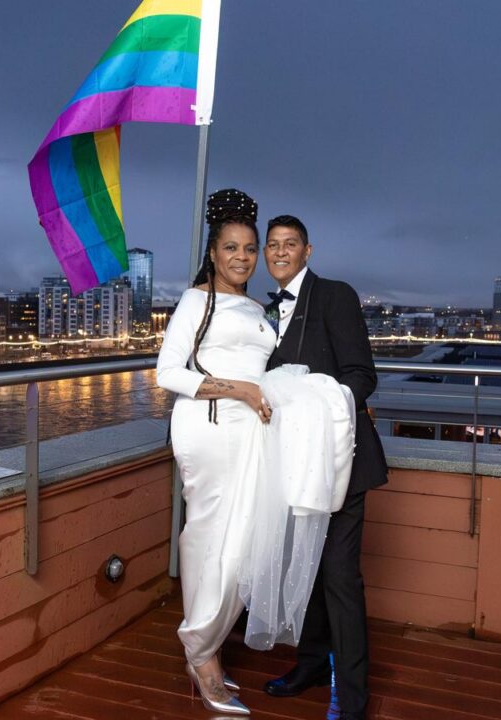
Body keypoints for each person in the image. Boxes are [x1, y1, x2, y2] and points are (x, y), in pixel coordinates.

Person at [260, 214, 389, 720]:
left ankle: (353, 697)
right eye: (272, 245)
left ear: (307, 251)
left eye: (290, 244)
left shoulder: (334, 295)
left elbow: (362, 376)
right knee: (306, 569)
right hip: (292, 465)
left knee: (338, 575)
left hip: (341, 464)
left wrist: (320, 406)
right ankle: (312, 664)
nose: (279, 252)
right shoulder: (262, 311)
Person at [156, 188, 273, 716]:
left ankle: (205, 647)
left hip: (252, 434)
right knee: (209, 536)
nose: (242, 258)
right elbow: (168, 373)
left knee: (243, 539)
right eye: (231, 248)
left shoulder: (255, 306)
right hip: (210, 427)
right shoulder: (194, 301)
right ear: (212, 252)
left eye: (249, 248)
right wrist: (241, 390)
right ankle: (203, 658)